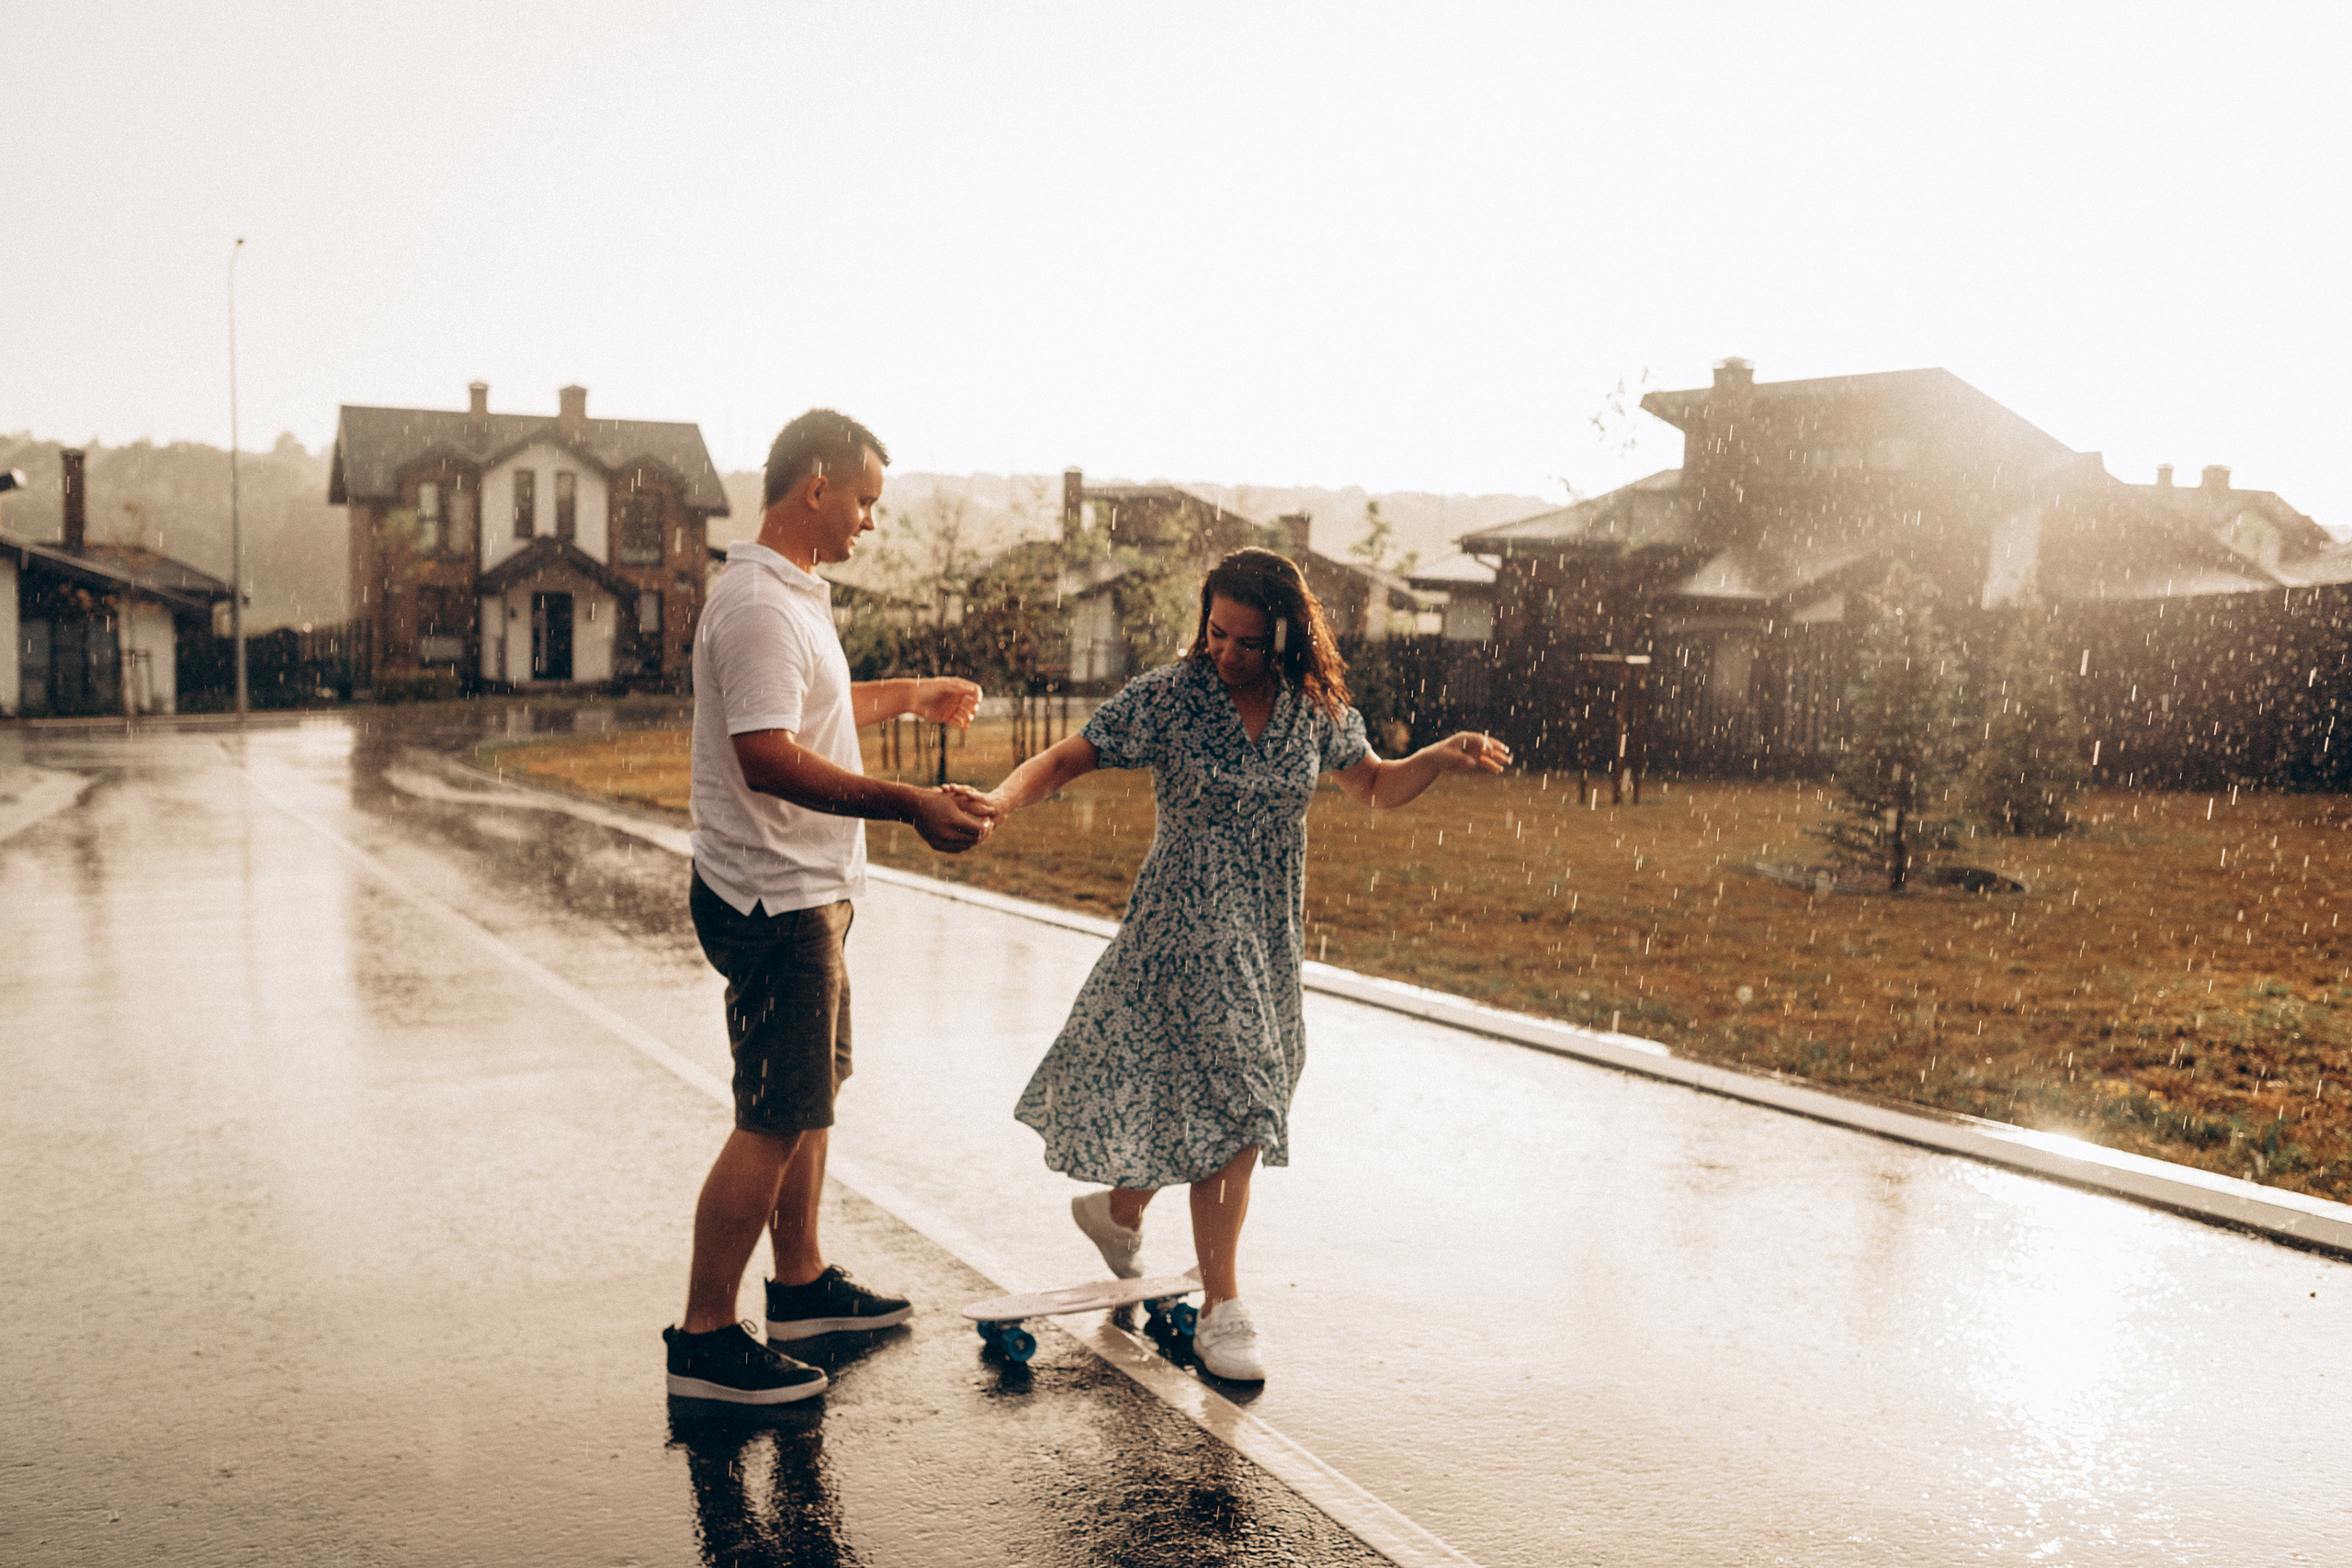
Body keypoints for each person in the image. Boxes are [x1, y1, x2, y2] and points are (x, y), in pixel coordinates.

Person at [967, 547, 1510, 1382]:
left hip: (1266, 932)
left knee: (1204, 1092)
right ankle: (1224, 1306)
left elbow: (1371, 785)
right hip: (1183, 921)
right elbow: (1071, 756)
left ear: (1286, 638)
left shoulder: (1312, 710)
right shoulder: (1171, 696)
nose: (1224, 653)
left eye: (1246, 642)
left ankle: (1119, 1211)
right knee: (1247, 1092)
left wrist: (1437, 755)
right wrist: (1002, 800)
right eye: (1215, 632)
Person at [663, 409, 996, 1409]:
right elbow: (765, 755)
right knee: (772, 1113)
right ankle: (706, 1337)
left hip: (806, 891)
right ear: (815, 485)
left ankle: (801, 1288)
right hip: (774, 896)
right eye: (863, 501)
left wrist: (910, 695)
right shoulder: (760, 604)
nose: (868, 522)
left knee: (808, 1096)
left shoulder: (789, 596)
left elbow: (808, 710)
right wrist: (907, 804)